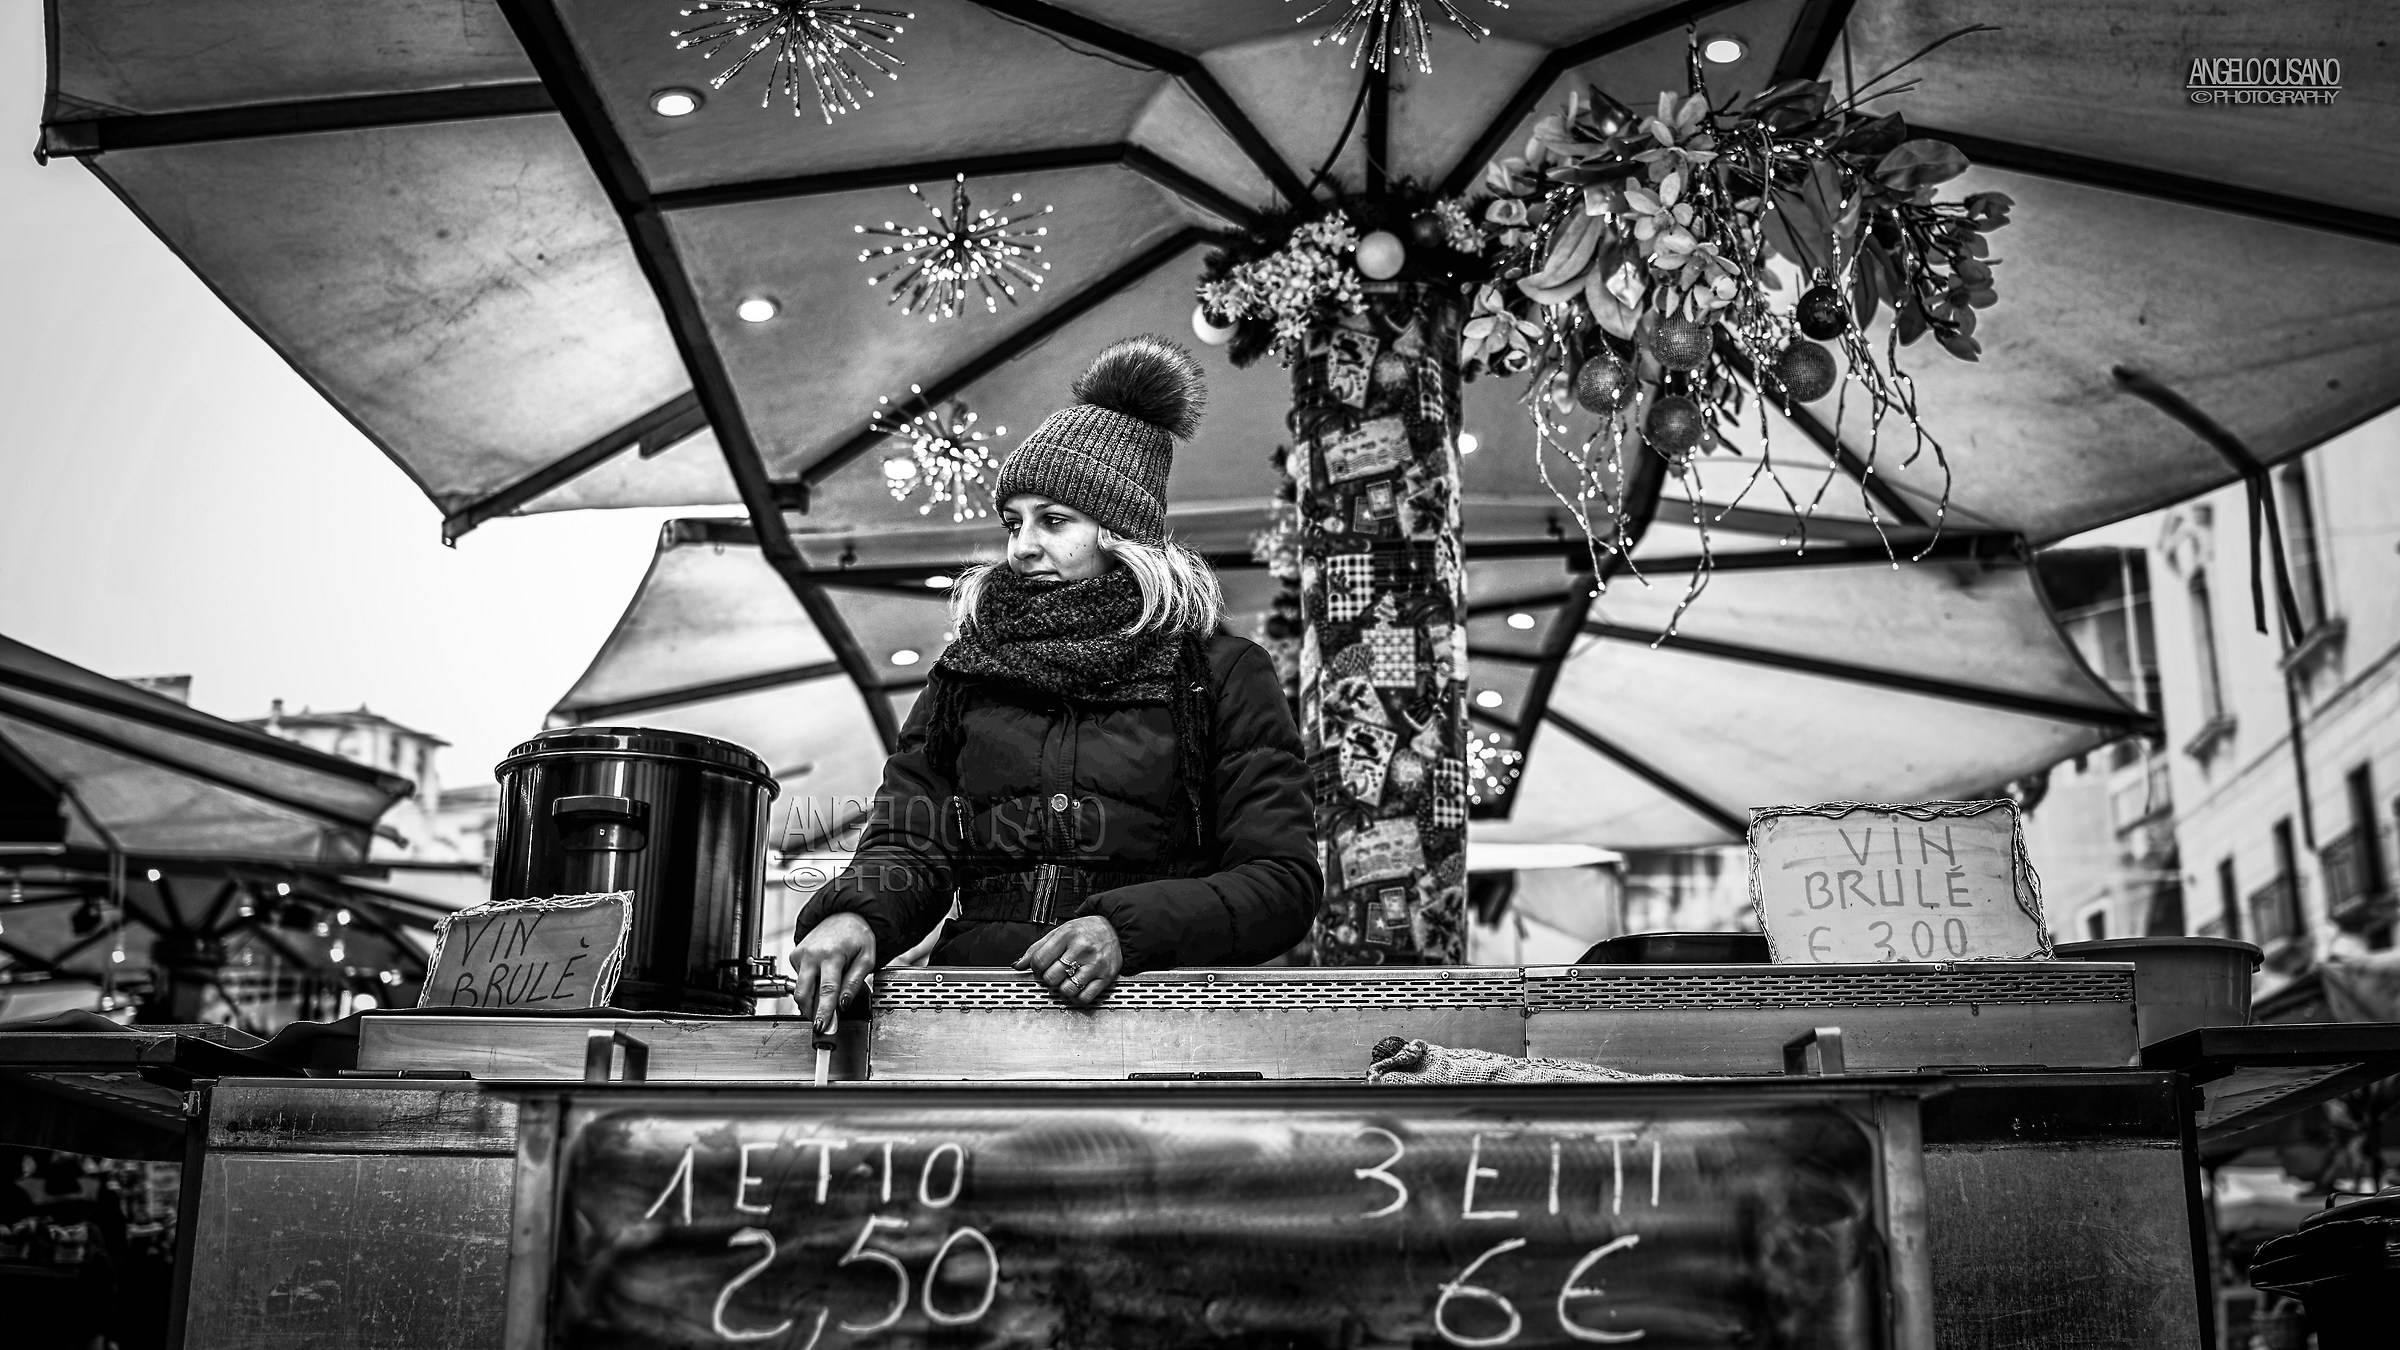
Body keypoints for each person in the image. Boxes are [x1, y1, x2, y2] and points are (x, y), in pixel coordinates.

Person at [787, 335, 1319, 1027]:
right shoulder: (965, 676)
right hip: (973, 1010)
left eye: (1055, 521)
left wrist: (1122, 930)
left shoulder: (1217, 673)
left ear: (1122, 531)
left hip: (1154, 1017)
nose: (1022, 547)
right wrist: (858, 914)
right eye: (1014, 523)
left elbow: (1280, 883)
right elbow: (909, 840)